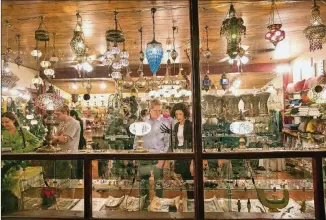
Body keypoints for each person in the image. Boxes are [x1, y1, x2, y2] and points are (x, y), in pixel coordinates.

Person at [133, 99, 170, 200]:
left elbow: (167, 143)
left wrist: (162, 159)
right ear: (150, 110)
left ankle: (159, 207)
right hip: (144, 159)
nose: (159, 113)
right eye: (156, 110)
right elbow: (136, 143)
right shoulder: (143, 122)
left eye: (160, 110)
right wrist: (138, 156)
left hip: (158, 159)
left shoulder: (165, 123)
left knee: (159, 187)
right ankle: (143, 209)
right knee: (143, 187)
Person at [170, 103, 193, 199]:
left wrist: (192, 161)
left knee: (191, 180)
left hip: (188, 154)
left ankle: (193, 200)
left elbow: (193, 142)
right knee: (184, 179)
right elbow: (175, 141)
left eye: (180, 114)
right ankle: (188, 199)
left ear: (185, 114)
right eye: (176, 114)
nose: (178, 116)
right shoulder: (176, 126)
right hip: (179, 154)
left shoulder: (190, 125)